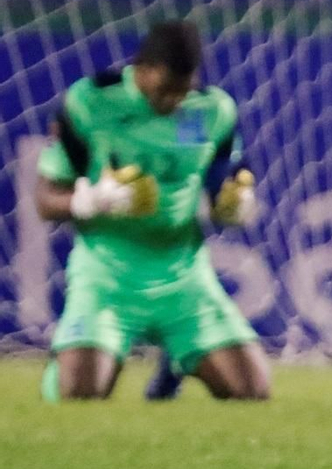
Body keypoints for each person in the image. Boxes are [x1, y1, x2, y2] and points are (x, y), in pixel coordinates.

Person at [35, 20, 271, 401]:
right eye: (164, 91)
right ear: (141, 70)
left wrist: (235, 207)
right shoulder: (92, 101)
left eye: (182, 92)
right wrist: (89, 201)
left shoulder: (213, 110)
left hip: (184, 276)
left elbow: (223, 190)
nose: (173, 103)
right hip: (107, 275)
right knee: (77, 398)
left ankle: (178, 359)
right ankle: (64, 365)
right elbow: (45, 199)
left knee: (253, 392)